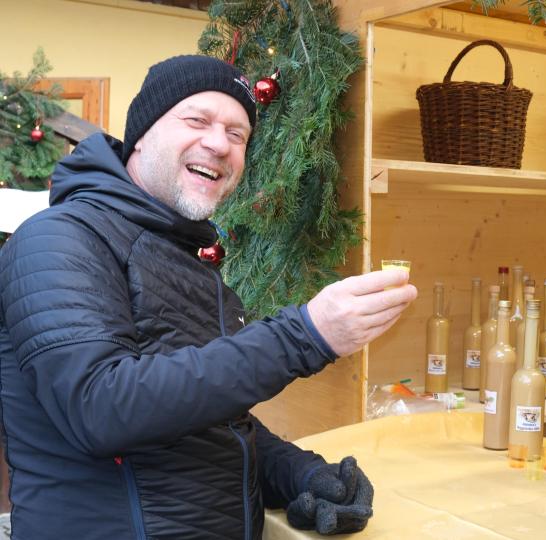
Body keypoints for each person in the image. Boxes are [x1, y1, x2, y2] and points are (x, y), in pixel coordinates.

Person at [0, 55, 417, 539]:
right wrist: (304, 335)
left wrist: (302, 473)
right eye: (197, 120)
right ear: (142, 136)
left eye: (237, 134)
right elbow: (102, 409)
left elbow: (205, 419)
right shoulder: (58, 239)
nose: (219, 144)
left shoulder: (184, 259)